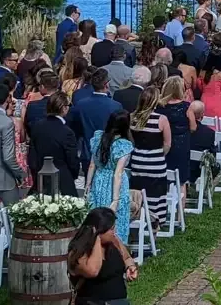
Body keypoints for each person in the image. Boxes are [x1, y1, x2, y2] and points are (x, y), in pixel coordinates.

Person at [67, 207, 137, 305]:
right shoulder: (78, 251)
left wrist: (130, 266)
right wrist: (97, 241)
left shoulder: (113, 242)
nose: (114, 232)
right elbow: (93, 271)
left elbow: (126, 257)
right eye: (111, 229)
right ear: (99, 231)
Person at [86, 112, 135, 241]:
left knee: (97, 213)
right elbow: (118, 173)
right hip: (115, 186)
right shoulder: (123, 145)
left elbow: (92, 164)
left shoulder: (98, 139)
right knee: (116, 217)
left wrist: (88, 184)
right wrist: (115, 199)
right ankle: (116, 248)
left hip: (99, 180)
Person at [128, 86, 171, 227]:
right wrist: (158, 154)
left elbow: (132, 141)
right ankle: (154, 224)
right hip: (156, 162)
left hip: (138, 160)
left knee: (138, 192)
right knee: (156, 194)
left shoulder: (132, 117)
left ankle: (138, 219)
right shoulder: (161, 119)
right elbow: (167, 144)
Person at [28, 91, 82, 196]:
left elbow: (32, 155)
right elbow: (72, 159)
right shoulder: (66, 132)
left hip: (41, 177)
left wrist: (36, 175)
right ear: (64, 109)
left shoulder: (37, 126)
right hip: (62, 180)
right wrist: (72, 176)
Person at [71, 70, 122, 173]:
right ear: (106, 84)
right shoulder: (116, 106)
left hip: (88, 152)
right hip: (108, 153)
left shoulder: (81, 105)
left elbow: (75, 128)